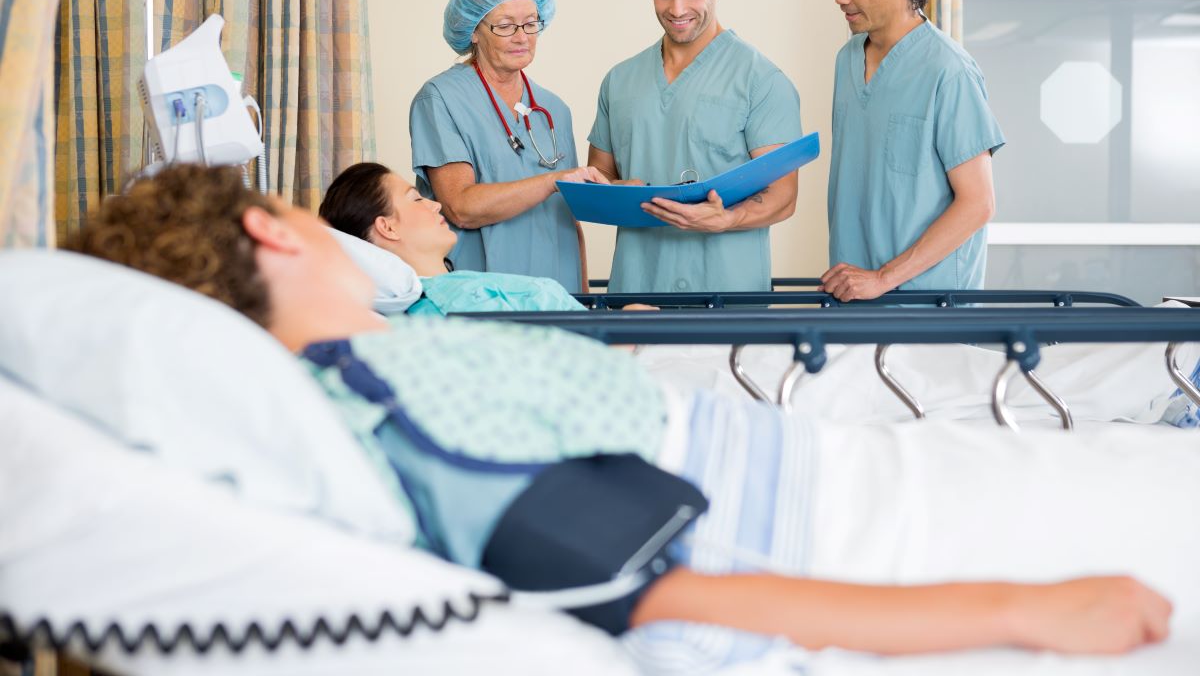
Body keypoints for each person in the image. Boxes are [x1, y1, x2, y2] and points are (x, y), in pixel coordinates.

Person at [68, 164, 1178, 667]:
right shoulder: (390, 400)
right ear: (274, 236)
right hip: (865, 522)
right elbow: (664, 590)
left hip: (856, 470)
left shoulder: (383, 375)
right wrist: (1032, 608)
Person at [587, 0, 803, 293]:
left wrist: (727, 218)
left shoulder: (762, 80)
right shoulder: (619, 81)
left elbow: (783, 197)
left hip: (727, 291)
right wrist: (617, 191)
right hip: (638, 290)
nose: (677, 9)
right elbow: (597, 177)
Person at [822, 0, 1003, 302]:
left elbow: (978, 203)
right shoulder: (847, 60)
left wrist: (883, 279)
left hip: (930, 307)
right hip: (851, 297)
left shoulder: (949, 70)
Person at [409, 0, 607, 293]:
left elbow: (569, 218)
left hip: (558, 293)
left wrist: (584, 299)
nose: (522, 37)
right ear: (473, 29)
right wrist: (552, 180)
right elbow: (460, 207)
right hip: (484, 295)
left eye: (531, 24)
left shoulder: (554, 110)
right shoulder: (440, 99)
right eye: (504, 25)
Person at [319, 161, 584, 315]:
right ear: (388, 228)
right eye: (416, 198)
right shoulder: (452, 302)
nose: (435, 205)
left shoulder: (456, 291)